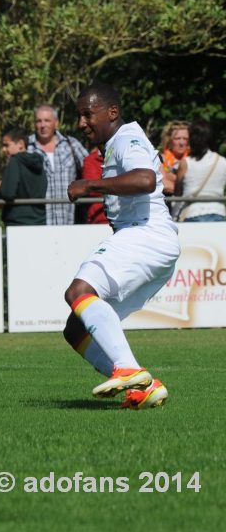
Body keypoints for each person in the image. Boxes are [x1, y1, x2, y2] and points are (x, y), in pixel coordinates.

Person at [64, 82, 179, 410]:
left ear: (112, 112)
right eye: (79, 116)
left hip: (146, 234)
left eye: (88, 114)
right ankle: (145, 388)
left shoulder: (126, 137)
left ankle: (128, 369)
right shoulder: (115, 144)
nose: (82, 123)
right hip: (153, 242)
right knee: (76, 329)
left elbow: (145, 180)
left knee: (78, 292)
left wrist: (90, 184)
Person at [27, 104, 87, 225]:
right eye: (38, 121)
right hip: (36, 224)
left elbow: (90, 171)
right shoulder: (26, 147)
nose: (42, 125)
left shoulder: (72, 145)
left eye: (47, 120)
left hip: (70, 222)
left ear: (56, 123)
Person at [173, 119, 226, 222]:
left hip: (192, 213)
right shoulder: (222, 161)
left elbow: (177, 193)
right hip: (218, 212)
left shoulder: (185, 163)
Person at [0, 127, 46, 226]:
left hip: (17, 222)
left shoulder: (14, 161)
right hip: (39, 221)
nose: (3, 149)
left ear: (21, 144)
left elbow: (8, 193)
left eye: (6, 145)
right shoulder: (39, 164)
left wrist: (1, 187)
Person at [158, 120, 190, 195]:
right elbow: (164, 185)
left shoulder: (193, 159)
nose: (181, 143)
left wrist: (171, 178)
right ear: (169, 140)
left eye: (185, 139)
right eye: (177, 138)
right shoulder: (160, 159)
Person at [80, 147, 108, 224]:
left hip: (128, 216)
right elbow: (92, 189)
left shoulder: (127, 157)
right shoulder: (90, 160)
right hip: (99, 219)